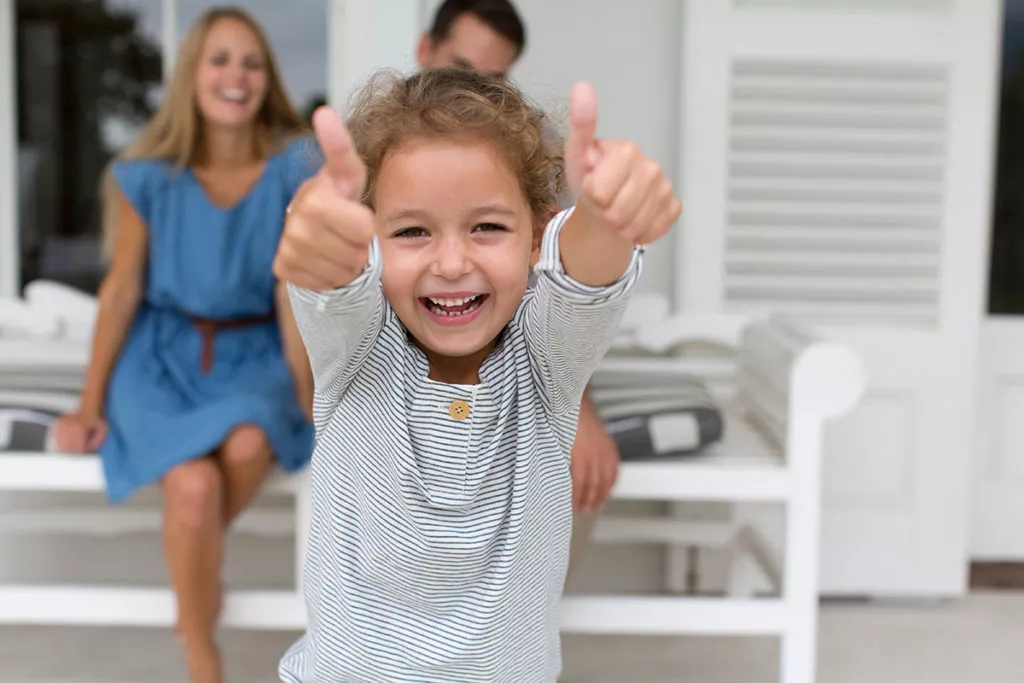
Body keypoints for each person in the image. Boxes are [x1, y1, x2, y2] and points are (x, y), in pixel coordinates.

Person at [274, 68, 680, 682]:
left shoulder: (548, 363)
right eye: (412, 231)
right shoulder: (353, 354)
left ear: (537, 236)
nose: (453, 262)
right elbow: (332, 281)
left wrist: (608, 214)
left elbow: (590, 268)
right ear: (373, 242)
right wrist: (320, 235)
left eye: (487, 226)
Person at [53, 7, 318, 683]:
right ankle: (201, 647)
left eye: (252, 62)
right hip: (160, 355)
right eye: (220, 59)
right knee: (194, 488)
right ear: (192, 75)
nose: (238, 76)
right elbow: (120, 292)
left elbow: (292, 294)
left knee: (250, 443)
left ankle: (190, 576)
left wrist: (313, 397)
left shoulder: (293, 165)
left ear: (269, 78)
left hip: (253, 353)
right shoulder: (145, 174)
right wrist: (89, 404)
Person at [417, 0, 621, 577]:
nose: (473, 90)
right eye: (458, 66)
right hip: (397, 359)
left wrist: (579, 407)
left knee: (563, 458)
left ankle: (519, 630)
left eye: (494, 77)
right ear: (423, 53)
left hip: (516, 358)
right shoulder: (372, 144)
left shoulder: (539, 146)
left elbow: (564, 282)